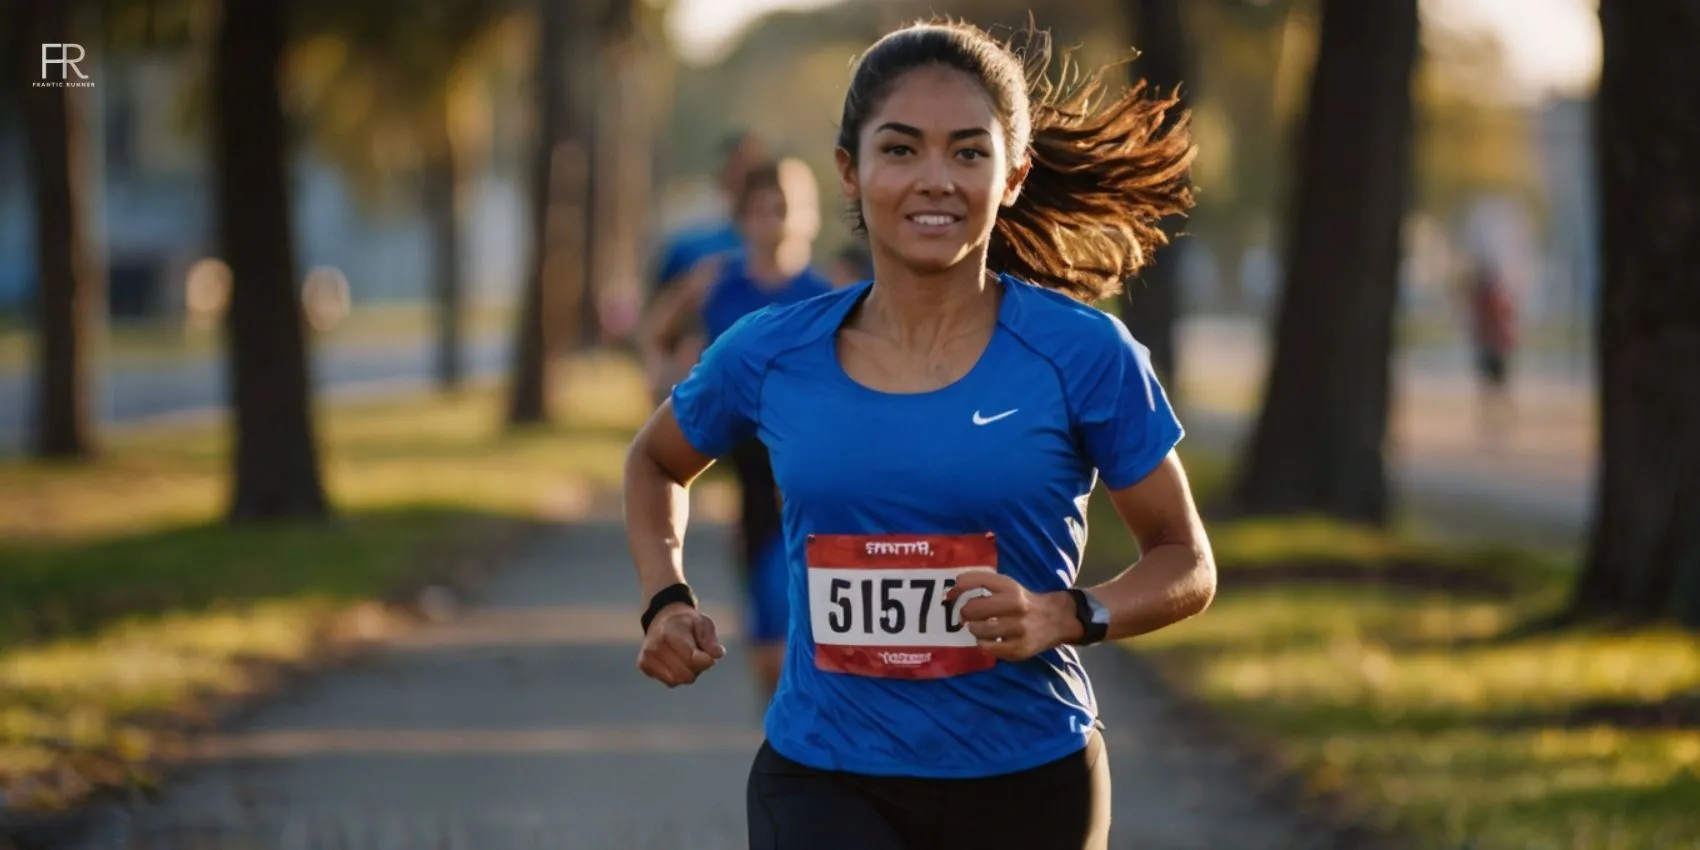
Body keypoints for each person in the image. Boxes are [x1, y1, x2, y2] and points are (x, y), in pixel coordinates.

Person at [622, 19, 1215, 850]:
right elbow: (655, 460)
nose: (935, 180)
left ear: (1013, 176)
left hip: (1029, 778)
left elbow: (1186, 560)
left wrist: (1068, 614)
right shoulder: (770, 350)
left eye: (970, 152)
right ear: (849, 173)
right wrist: (664, 596)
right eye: (900, 150)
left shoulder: (1082, 353)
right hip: (823, 777)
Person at [636, 157, 834, 700]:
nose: (775, 220)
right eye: (763, 209)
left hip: (803, 475)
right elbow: (654, 330)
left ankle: (808, 723)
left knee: (808, 631)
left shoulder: (832, 295)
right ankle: (786, 729)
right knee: (769, 651)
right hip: (743, 469)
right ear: (743, 219)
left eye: (787, 208)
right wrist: (668, 378)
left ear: (811, 217)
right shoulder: (715, 282)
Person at [644, 130, 771, 401]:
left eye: (752, 173)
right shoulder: (689, 247)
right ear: (722, 177)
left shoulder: (785, 256)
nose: (743, 182)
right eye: (736, 170)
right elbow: (657, 324)